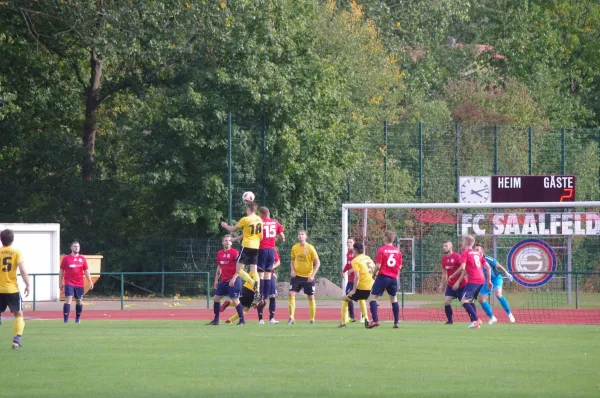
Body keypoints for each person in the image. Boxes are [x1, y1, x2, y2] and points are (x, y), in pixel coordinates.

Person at [220, 202, 263, 298]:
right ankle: (258, 291)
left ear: (249, 209)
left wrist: (225, 225)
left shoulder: (245, 219)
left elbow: (232, 229)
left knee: (238, 270)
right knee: (254, 271)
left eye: (247, 209)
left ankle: (252, 283)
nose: (246, 210)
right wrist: (235, 239)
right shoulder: (259, 219)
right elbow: (261, 236)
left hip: (247, 246)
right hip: (256, 247)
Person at [449, 235, 492, 329]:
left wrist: (453, 275)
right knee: (470, 300)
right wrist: (489, 280)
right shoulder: (478, 253)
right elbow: (488, 267)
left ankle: (476, 320)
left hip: (474, 280)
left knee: (463, 300)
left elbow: (463, 267)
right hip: (481, 279)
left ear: (465, 243)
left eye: (462, 241)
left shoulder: (465, 253)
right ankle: (474, 321)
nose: (461, 243)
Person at [0, 229, 30, 349]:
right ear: (12, 239)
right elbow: (22, 270)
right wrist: (27, 284)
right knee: (18, 315)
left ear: (1, 239)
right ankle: (16, 342)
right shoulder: (16, 252)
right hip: (12, 289)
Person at [206, 235, 246, 326]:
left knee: (235, 300)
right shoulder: (219, 253)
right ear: (222, 242)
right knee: (216, 299)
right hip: (224, 280)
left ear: (231, 243)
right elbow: (219, 266)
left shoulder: (235, 252)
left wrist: (234, 278)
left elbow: (241, 266)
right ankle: (216, 320)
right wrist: (216, 280)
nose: (227, 242)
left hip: (234, 280)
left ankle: (242, 321)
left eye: (229, 240)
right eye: (225, 240)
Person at [367, 231, 403, 328]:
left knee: (372, 298)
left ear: (385, 238)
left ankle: (375, 321)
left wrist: (374, 274)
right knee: (394, 300)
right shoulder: (397, 251)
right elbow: (399, 266)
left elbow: (378, 265)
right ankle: (396, 322)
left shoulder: (381, 250)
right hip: (393, 279)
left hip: (383, 277)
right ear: (393, 239)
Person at [475, 244, 516, 324]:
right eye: (475, 250)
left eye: (477, 250)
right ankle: (492, 317)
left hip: (496, 279)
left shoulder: (488, 259)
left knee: (498, 294)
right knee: (481, 299)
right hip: (486, 281)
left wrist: (507, 273)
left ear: (482, 251)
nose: (476, 251)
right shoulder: (475, 260)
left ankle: (509, 314)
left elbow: (499, 266)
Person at [339, 242, 374, 328]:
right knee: (361, 298)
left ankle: (343, 324)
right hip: (371, 287)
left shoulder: (355, 260)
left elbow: (357, 277)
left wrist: (354, 290)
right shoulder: (368, 258)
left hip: (362, 287)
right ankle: (366, 318)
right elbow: (375, 271)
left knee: (344, 299)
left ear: (354, 250)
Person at [288, 230, 320, 325]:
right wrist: (292, 270)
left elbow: (317, 262)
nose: (300, 236)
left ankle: (312, 319)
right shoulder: (294, 247)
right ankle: (291, 318)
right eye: (299, 234)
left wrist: (312, 275)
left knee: (310, 297)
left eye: (302, 234)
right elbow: (292, 260)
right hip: (297, 276)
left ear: (306, 236)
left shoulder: (310, 248)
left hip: (308, 277)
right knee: (291, 293)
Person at [59, 241, 94, 323]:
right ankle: (66, 320)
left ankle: (77, 318)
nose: (76, 248)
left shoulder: (82, 259)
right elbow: (61, 271)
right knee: (68, 298)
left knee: (79, 300)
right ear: (71, 248)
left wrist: (90, 281)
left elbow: (86, 271)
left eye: (78, 246)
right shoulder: (66, 258)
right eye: (75, 246)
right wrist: (60, 283)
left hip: (79, 283)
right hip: (69, 282)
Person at [257, 207, 285, 307]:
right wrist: (282, 238)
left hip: (262, 249)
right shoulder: (275, 222)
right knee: (268, 275)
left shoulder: (260, 222)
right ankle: (266, 296)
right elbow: (281, 234)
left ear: (261, 214)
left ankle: (261, 297)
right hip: (271, 250)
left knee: (261, 275)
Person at [438, 240, 465, 325]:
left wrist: (457, 282)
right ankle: (450, 320)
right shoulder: (444, 258)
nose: (444, 247)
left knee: (465, 303)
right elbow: (444, 273)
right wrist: (441, 285)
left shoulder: (457, 256)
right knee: (446, 302)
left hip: (461, 284)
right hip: (451, 285)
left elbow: (463, 269)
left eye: (446, 246)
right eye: (443, 246)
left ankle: (474, 319)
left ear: (451, 247)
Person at [258, 248, 281, 324]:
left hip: (270, 275)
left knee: (272, 295)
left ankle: (272, 319)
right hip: (260, 276)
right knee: (261, 296)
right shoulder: (259, 249)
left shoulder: (273, 250)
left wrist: (272, 267)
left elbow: (278, 261)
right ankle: (260, 319)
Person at [341, 238, 358, 323]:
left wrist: (351, 270)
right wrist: (343, 271)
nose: (349, 244)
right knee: (348, 297)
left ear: (354, 243)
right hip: (351, 280)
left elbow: (359, 265)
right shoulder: (348, 254)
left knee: (360, 298)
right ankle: (352, 316)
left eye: (350, 242)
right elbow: (348, 265)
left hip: (358, 279)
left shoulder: (356, 254)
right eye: (347, 242)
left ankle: (364, 317)